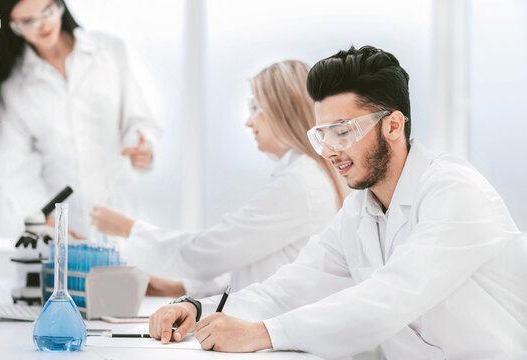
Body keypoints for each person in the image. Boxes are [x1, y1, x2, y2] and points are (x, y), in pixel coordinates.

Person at [148, 46, 527, 359]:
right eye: (323, 135)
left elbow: (388, 298)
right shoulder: (361, 210)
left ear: (393, 126)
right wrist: (200, 309)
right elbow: (292, 286)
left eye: (342, 132)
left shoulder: (454, 192)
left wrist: (264, 333)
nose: (330, 151)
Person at [91, 60, 347, 298]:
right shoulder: (304, 174)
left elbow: (210, 253)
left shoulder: (299, 183)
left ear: (284, 111)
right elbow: (260, 263)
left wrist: (128, 228)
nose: (249, 122)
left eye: (256, 108)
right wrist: (179, 287)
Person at [0, 0, 158, 239]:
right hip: (62, 224)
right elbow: (15, 167)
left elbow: (139, 120)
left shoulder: (109, 51)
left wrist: (145, 148)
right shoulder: (15, 87)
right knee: (66, 272)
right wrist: (46, 218)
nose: (43, 25)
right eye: (28, 21)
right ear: (14, 26)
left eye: (47, 11)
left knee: (126, 271)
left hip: (118, 213)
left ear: (59, 5)